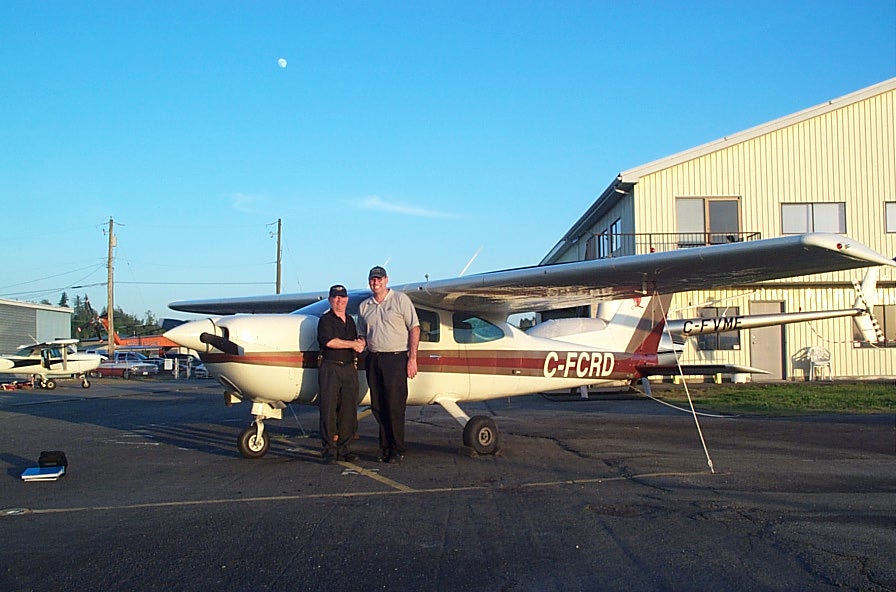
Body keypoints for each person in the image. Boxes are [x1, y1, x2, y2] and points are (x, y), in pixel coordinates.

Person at [357, 266, 420, 464]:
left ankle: (397, 448)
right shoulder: (364, 306)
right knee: (378, 405)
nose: (376, 283)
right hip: (374, 359)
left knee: (394, 405)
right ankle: (384, 447)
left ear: (386, 280)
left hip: (396, 358)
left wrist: (412, 358)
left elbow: (415, 328)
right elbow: (362, 334)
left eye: (379, 279)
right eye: (372, 279)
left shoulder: (400, 300)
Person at [317, 284, 365, 463]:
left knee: (348, 409)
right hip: (331, 367)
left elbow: (355, 341)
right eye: (335, 298)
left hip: (348, 367)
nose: (339, 301)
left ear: (346, 300)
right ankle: (329, 449)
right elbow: (330, 342)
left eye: (342, 297)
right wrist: (353, 344)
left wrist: (361, 342)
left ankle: (344, 448)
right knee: (328, 408)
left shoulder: (350, 321)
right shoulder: (326, 320)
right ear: (330, 300)